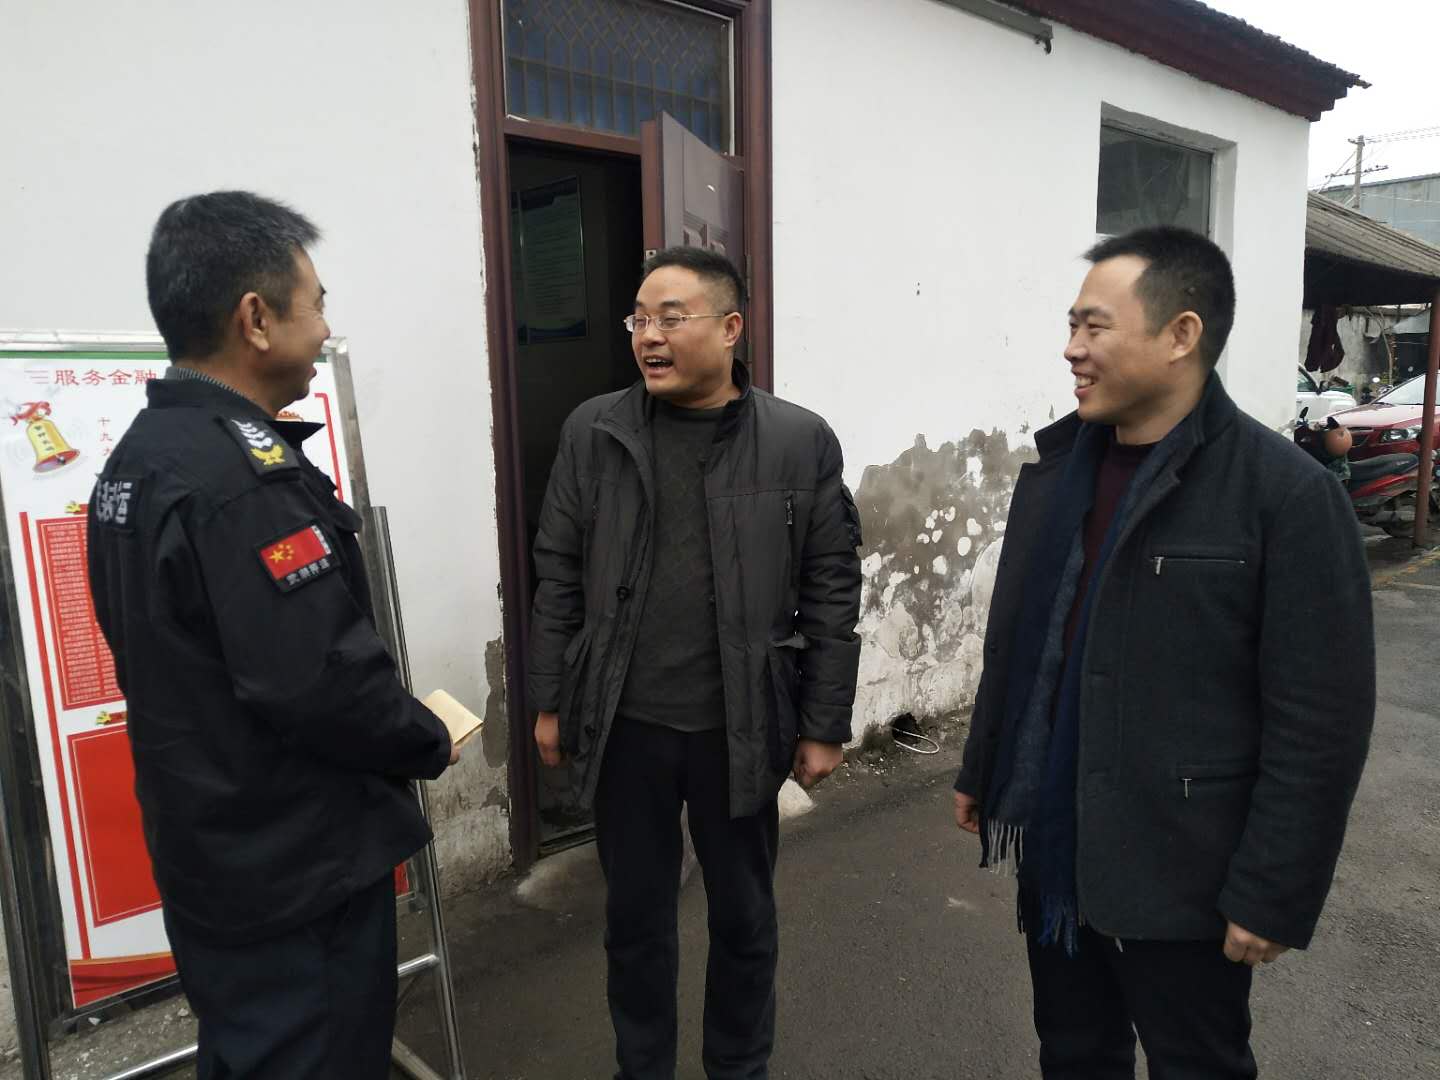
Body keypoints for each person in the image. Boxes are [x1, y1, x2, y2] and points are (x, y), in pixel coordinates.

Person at [952, 226, 1374, 1078]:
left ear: (1181, 334)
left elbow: (1319, 718)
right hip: (1059, 841)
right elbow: (1025, 642)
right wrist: (984, 767)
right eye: (1071, 325)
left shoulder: (1284, 495)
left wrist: (1273, 889)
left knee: (1197, 1064)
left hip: (1185, 867)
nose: (1071, 349)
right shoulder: (1058, 471)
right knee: (1074, 1054)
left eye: (1094, 327)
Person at [88, 191, 457, 1079]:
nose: (326, 329)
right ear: (256, 319)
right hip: (295, 866)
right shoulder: (238, 481)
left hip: (217, 852)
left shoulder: (141, 457)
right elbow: (317, 681)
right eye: (317, 304)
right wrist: (426, 737)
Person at [527, 246, 863, 1080]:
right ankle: (642, 1066)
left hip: (737, 725)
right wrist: (549, 700)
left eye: (672, 318)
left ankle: (737, 1066)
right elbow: (557, 571)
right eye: (640, 319)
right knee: (635, 920)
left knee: (744, 918)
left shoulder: (797, 441)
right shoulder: (594, 431)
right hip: (626, 724)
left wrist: (824, 722)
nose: (650, 336)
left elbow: (830, 589)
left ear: (731, 327)